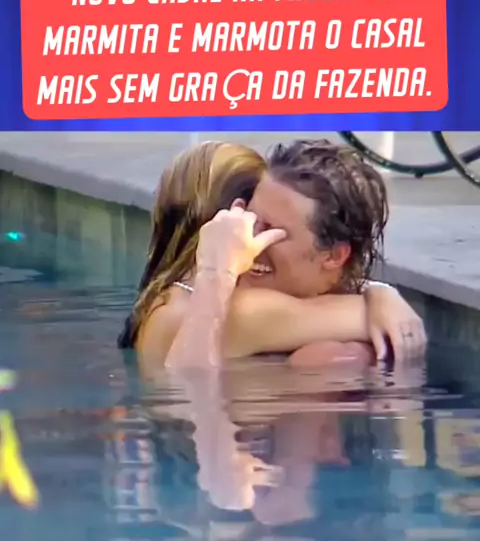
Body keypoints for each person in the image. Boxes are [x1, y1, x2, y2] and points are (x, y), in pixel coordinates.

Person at [118, 139, 426, 370]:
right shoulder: (238, 308)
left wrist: (377, 290)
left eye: (272, 229)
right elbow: (190, 393)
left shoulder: (181, 296)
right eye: (248, 220)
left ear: (334, 256)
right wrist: (217, 271)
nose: (250, 240)